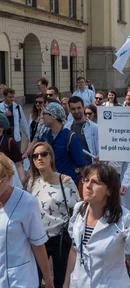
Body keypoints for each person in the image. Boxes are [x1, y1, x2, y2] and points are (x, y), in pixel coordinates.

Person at [63, 164, 130, 288]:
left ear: (109, 190)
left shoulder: (125, 219)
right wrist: (66, 283)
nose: (88, 185)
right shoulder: (78, 209)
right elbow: (74, 250)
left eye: (95, 182)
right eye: (86, 180)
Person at [28, 142, 80, 287]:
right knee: (35, 279)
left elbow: (78, 210)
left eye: (44, 154)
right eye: (35, 156)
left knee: (61, 281)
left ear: (51, 157)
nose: (40, 158)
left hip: (60, 238)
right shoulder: (33, 182)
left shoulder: (66, 181)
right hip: (39, 239)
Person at [0, 153, 54, 288]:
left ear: (9, 176)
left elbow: (38, 244)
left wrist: (48, 280)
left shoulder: (26, 202)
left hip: (20, 280)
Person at [41, 102, 88, 185]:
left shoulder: (71, 137)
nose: (42, 116)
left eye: (44, 114)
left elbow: (82, 166)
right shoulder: (46, 136)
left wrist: (87, 185)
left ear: (54, 116)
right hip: (50, 185)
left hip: (67, 186)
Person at [0, 113, 26, 186]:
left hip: (8, 182)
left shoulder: (10, 142)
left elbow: (19, 164)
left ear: (1, 127)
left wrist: (22, 183)